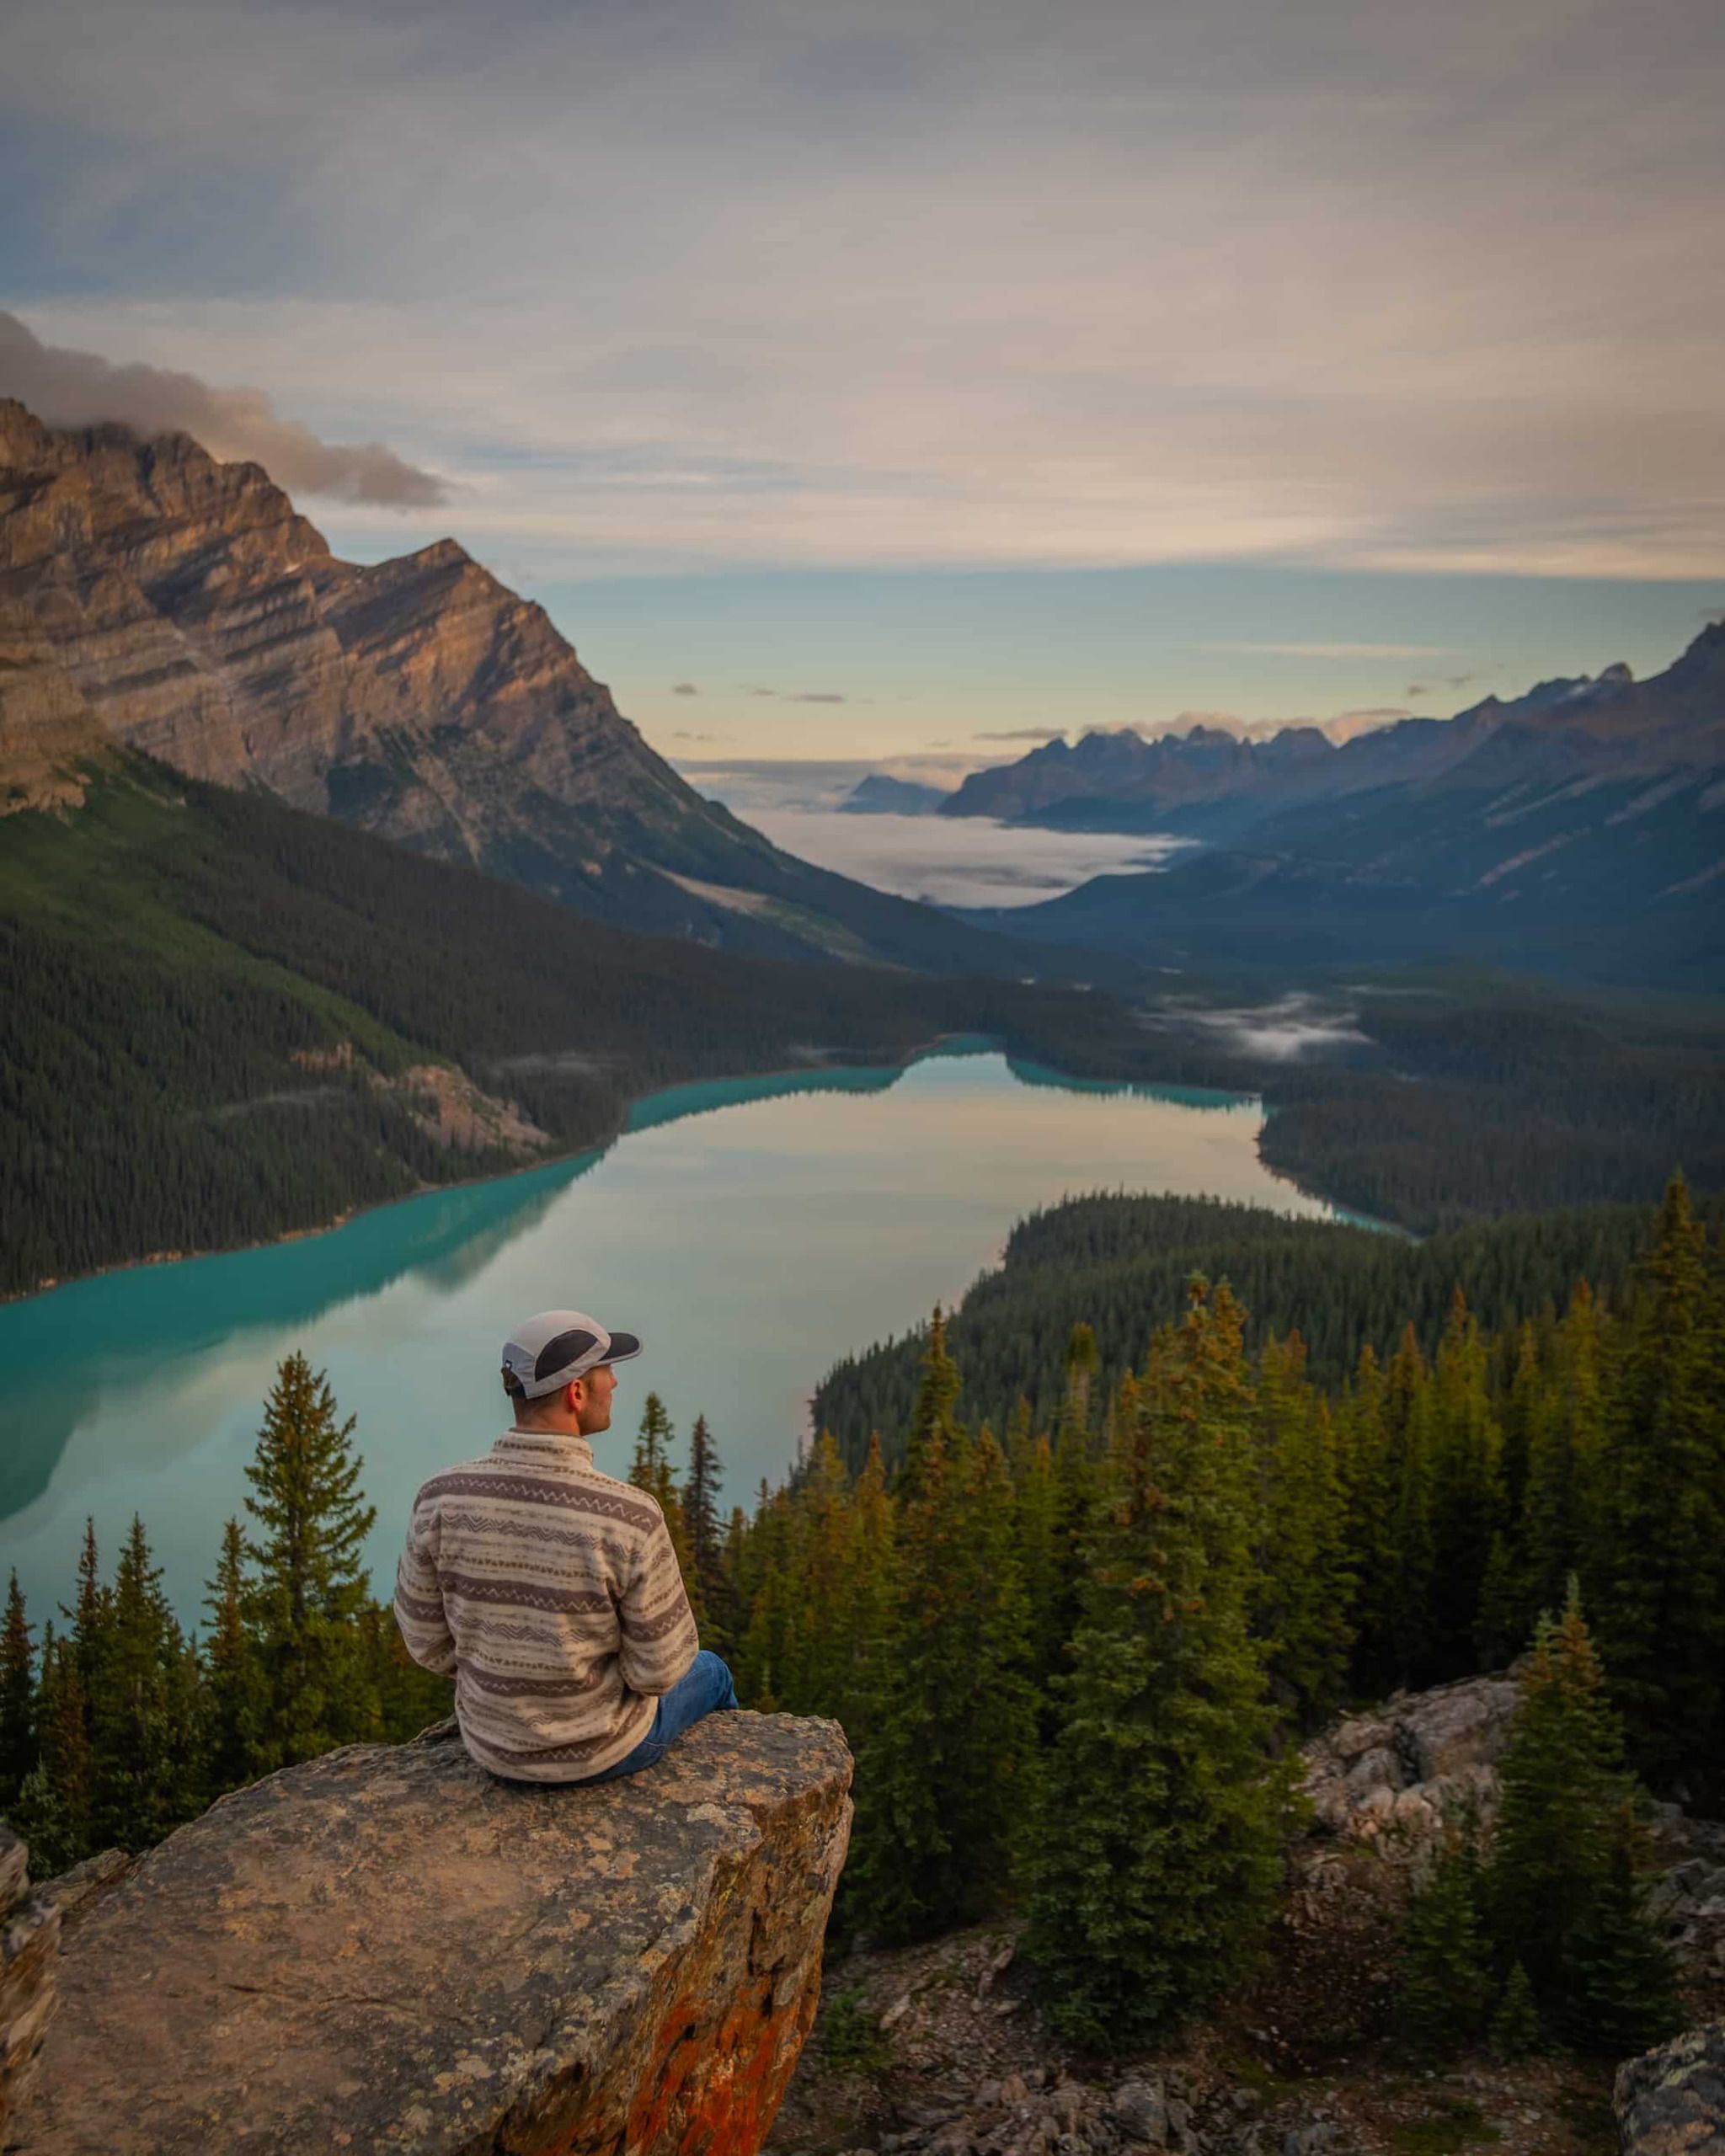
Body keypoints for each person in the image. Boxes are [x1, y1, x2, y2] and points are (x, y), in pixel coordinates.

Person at [393, 1308, 738, 1785]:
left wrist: (507, 1675)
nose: (615, 1383)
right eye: (607, 1372)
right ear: (577, 1392)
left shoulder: (440, 1498)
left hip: (491, 1747)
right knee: (712, 1671)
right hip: (601, 1753)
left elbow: (427, 1643)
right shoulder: (629, 1517)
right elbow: (658, 1672)